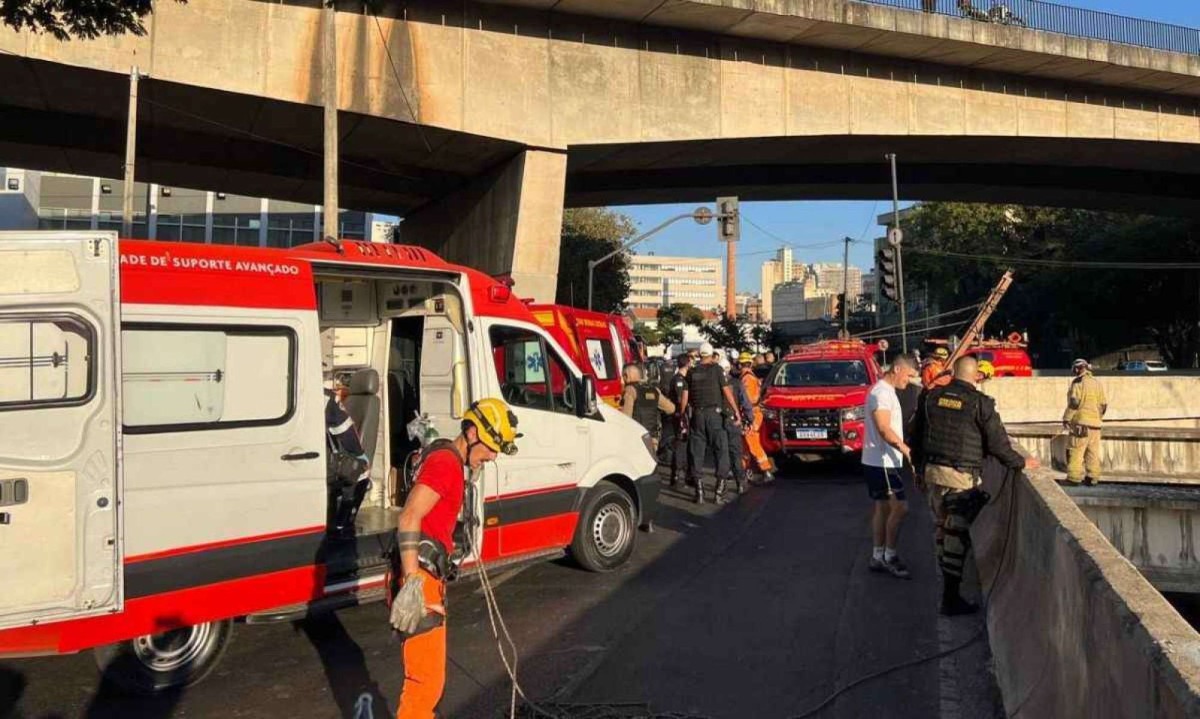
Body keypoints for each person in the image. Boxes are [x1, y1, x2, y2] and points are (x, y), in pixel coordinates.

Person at [389, 398, 520, 719]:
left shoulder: (446, 453)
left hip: (426, 576)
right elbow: (408, 517)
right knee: (425, 683)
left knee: (428, 680)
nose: (492, 456)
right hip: (421, 580)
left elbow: (431, 440)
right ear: (473, 432)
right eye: (490, 448)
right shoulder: (446, 464)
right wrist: (412, 585)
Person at [912, 356, 1034, 616]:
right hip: (961, 478)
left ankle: (946, 588)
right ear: (976, 375)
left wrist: (918, 468)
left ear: (954, 373)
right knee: (957, 536)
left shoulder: (930, 397)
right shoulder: (980, 403)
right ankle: (951, 598)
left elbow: (916, 435)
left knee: (943, 530)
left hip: (933, 474)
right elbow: (999, 445)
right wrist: (1022, 463)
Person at [862, 354, 918, 580]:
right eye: (908, 375)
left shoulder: (883, 391)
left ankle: (877, 555)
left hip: (878, 461)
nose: (910, 381)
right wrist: (906, 450)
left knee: (883, 508)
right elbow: (884, 428)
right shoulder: (882, 393)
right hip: (883, 462)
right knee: (900, 508)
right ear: (897, 369)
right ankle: (890, 556)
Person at [679, 342, 744, 504]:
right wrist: (736, 411)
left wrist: (682, 416)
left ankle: (699, 491)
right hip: (715, 415)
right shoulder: (717, 370)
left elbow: (685, 397)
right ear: (711, 354)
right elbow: (727, 391)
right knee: (721, 450)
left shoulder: (691, 372)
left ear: (699, 355)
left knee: (697, 452)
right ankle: (719, 491)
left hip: (698, 416)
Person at [1063, 358, 1108, 486]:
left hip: (1081, 424)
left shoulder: (1077, 383)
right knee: (1092, 452)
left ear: (1078, 368)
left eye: (1075, 370)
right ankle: (1092, 477)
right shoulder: (1097, 383)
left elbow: (1074, 403)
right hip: (1096, 425)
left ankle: (1073, 478)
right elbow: (1104, 405)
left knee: (1076, 450)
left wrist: (1067, 418)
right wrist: (1097, 418)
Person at [735, 351, 775, 484]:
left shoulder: (747, 379)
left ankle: (766, 470)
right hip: (752, 413)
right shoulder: (749, 377)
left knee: (752, 444)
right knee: (745, 445)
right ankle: (745, 471)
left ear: (740, 365)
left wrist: (746, 417)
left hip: (750, 414)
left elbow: (749, 400)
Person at [620, 363, 676, 451]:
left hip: (637, 436)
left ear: (626, 376)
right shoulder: (654, 390)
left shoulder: (630, 390)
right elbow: (671, 409)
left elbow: (626, 417)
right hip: (652, 437)